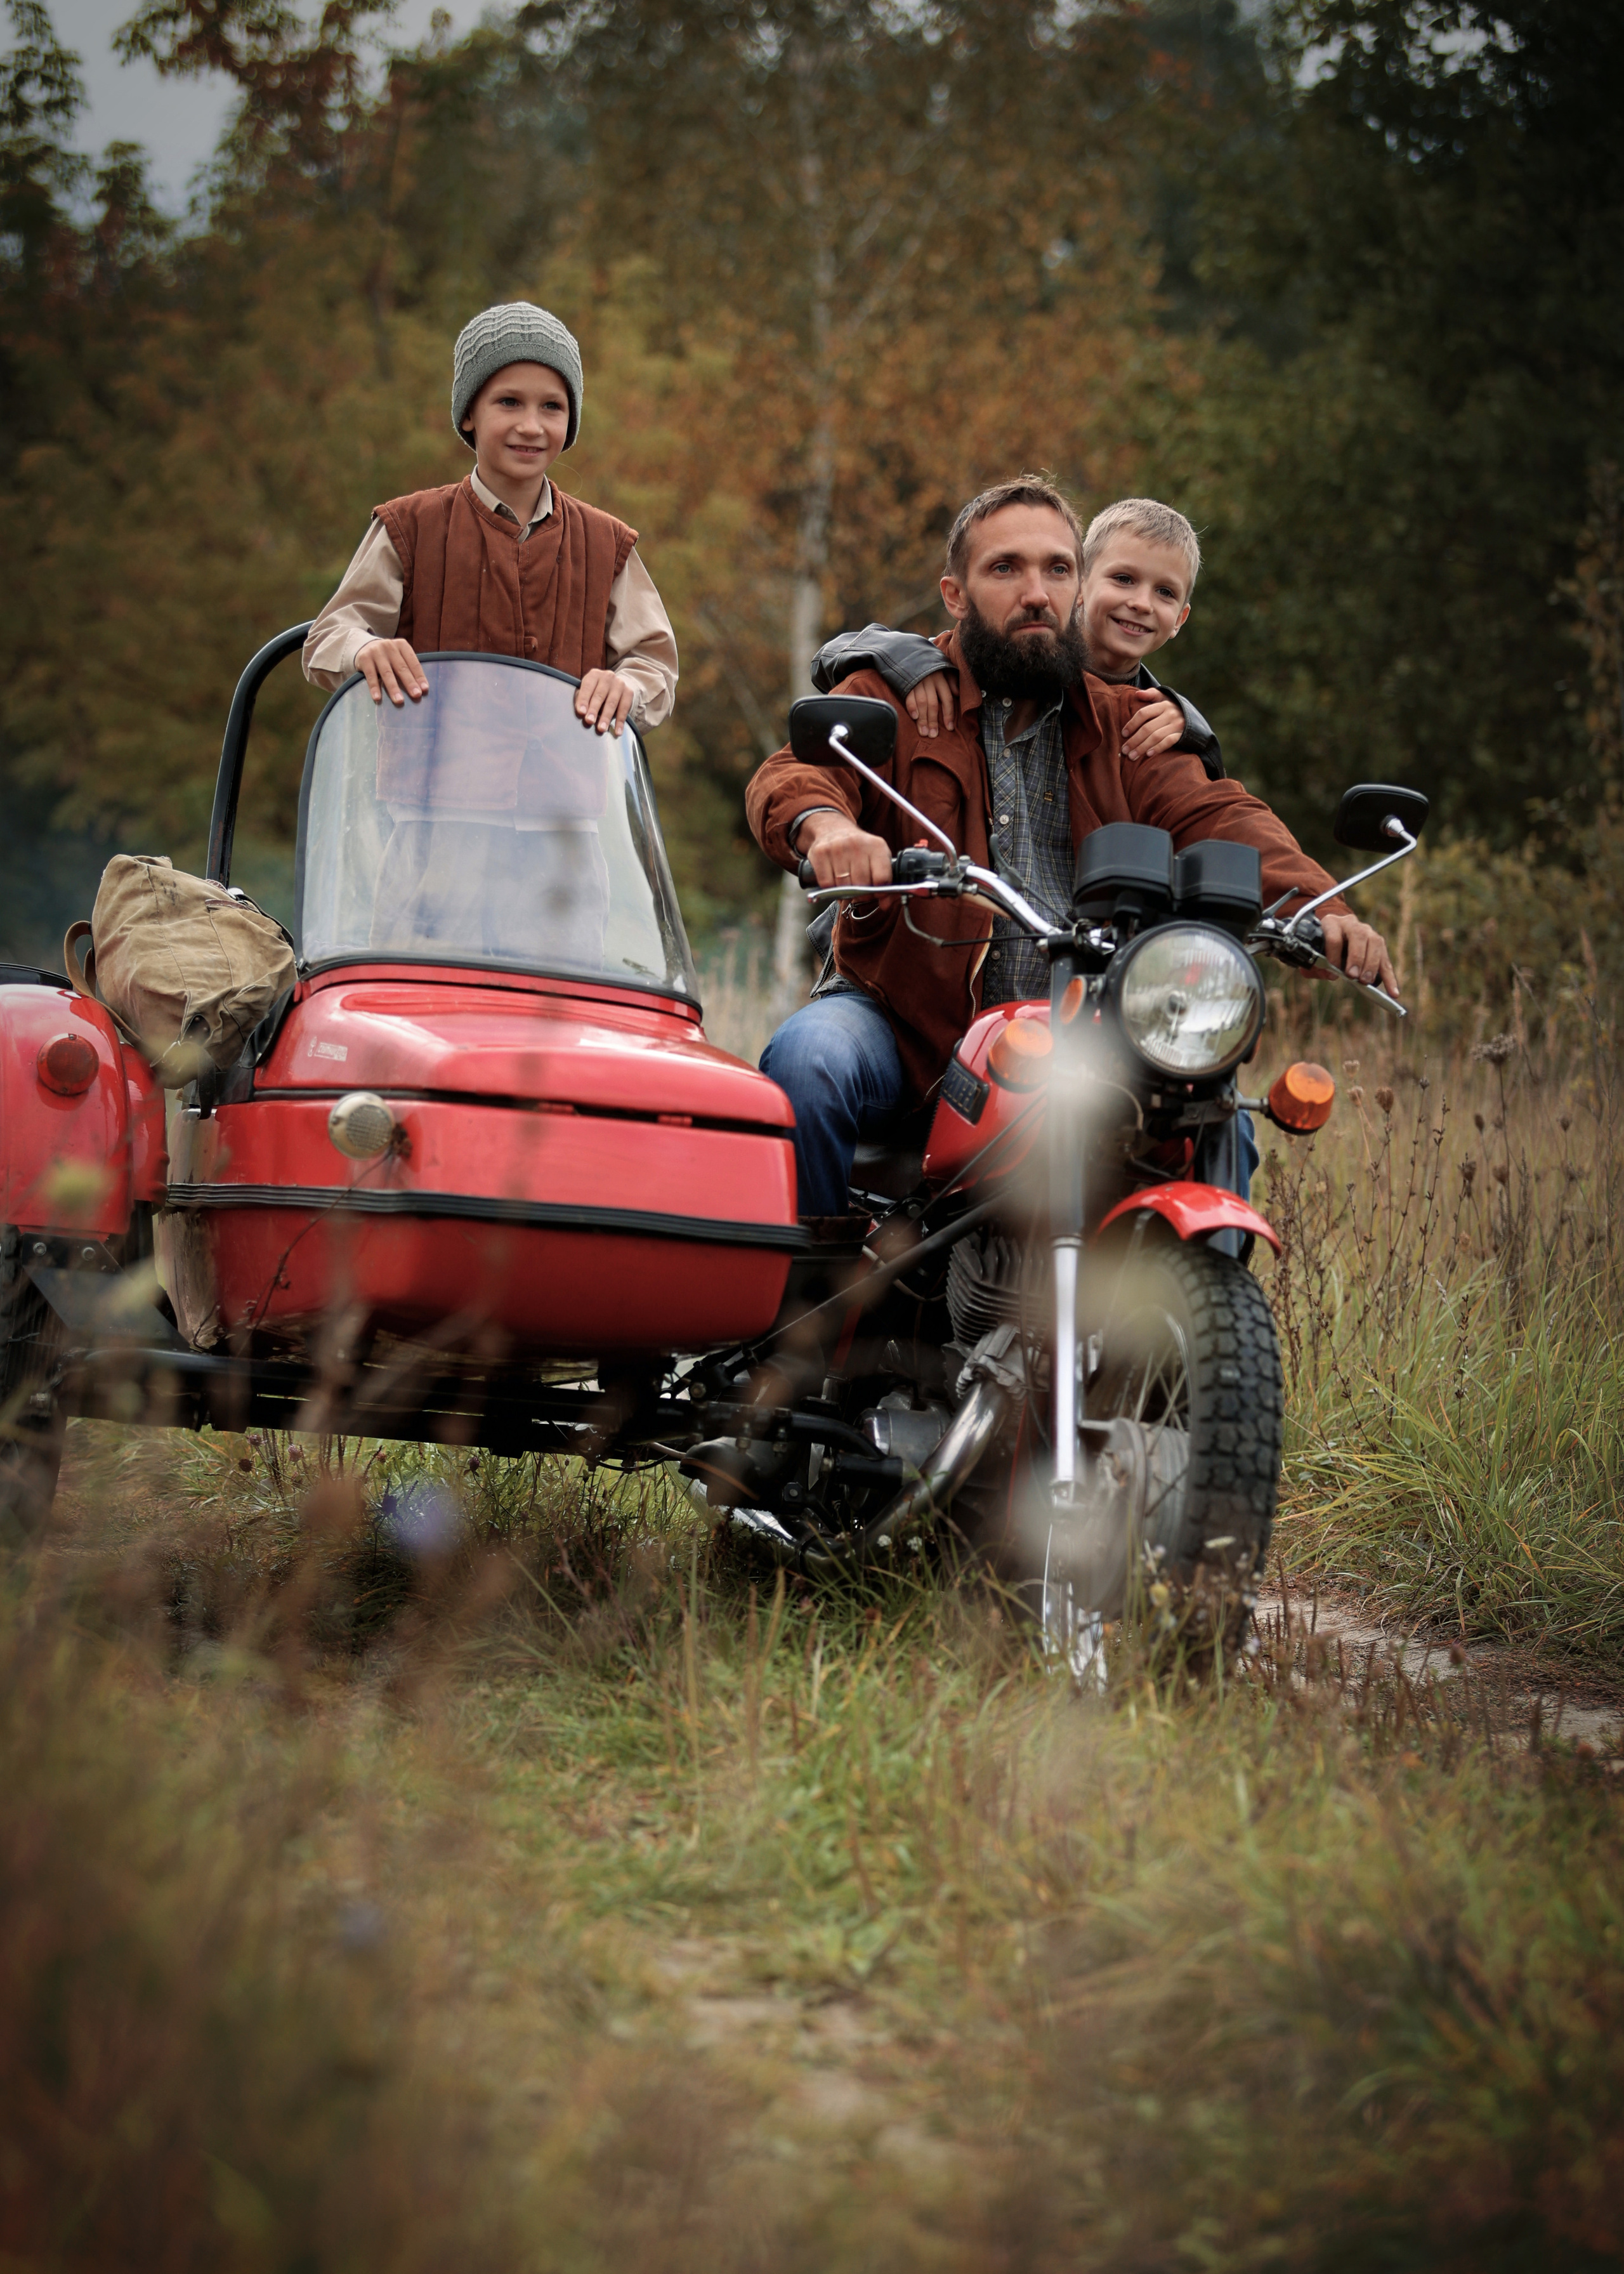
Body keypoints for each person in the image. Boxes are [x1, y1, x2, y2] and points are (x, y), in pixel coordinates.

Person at [747, 475, 1397, 1220]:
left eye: (1057, 569)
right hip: (902, 1027)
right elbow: (796, 773)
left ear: (1078, 586)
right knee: (809, 1062)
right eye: (1006, 569)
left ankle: (1203, 1324)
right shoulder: (898, 691)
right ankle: (811, 1315)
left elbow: (1222, 813)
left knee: (1216, 1120)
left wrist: (1321, 907)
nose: (1036, 593)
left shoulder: (1132, 725)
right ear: (955, 594)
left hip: (1080, 1038)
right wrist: (829, 829)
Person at [302, 302, 679, 961]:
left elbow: (654, 663)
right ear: (469, 412)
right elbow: (332, 633)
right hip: (432, 843)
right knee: (417, 1018)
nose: (531, 425)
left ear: (571, 420)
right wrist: (367, 648)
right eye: (508, 401)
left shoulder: (607, 543)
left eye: (552, 407)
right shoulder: (409, 527)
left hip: (562, 847)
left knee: (553, 1029)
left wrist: (626, 686)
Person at [811, 495, 1220, 771]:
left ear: (1181, 618)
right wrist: (909, 662)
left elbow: (1207, 799)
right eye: (1124, 579)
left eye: (1164, 593)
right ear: (1081, 588)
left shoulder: (1153, 717)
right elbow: (838, 653)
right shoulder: (1020, 653)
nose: (1143, 604)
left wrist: (1193, 728)